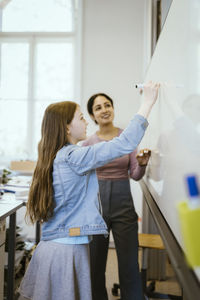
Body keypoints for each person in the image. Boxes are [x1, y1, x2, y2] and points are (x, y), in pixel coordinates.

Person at [18, 81, 159, 300]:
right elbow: (124, 143)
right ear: (66, 127)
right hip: (65, 249)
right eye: (82, 117)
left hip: (60, 244)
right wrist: (148, 102)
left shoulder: (61, 154)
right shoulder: (75, 155)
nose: (85, 122)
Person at [82, 92, 152, 300]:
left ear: (113, 109)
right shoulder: (87, 144)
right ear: (93, 116)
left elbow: (135, 176)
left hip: (124, 208)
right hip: (96, 210)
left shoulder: (126, 138)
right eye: (98, 108)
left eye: (107, 105)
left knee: (130, 264)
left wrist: (142, 164)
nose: (104, 110)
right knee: (95, 264)